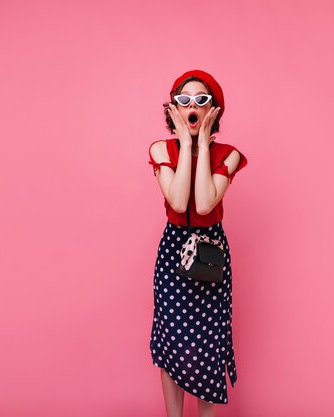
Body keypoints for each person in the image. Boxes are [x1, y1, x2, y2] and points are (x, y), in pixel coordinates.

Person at [148, 69, 248, 417]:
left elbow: (204, 204)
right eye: (184, 100)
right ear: (173, 109)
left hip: (211, 253)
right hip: (173, 251)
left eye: (201, 100)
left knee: (207, 345)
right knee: (171, 341)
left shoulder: (229, 154)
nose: (192, 106)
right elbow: (178, 203)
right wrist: (186, 145)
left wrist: (203, 145)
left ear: (214, 111)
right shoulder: (161, 148)